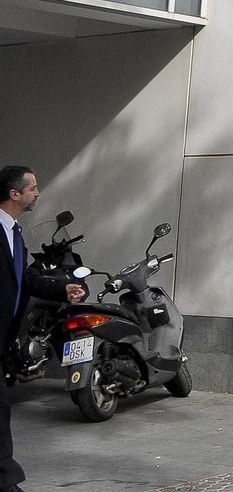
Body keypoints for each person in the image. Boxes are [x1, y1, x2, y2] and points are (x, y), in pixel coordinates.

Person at [2, 167, 86, 492]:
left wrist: (63, 290)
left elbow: (26, 278)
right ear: (15, 194)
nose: (38, 194)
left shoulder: (14, 233)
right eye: (33, 188)